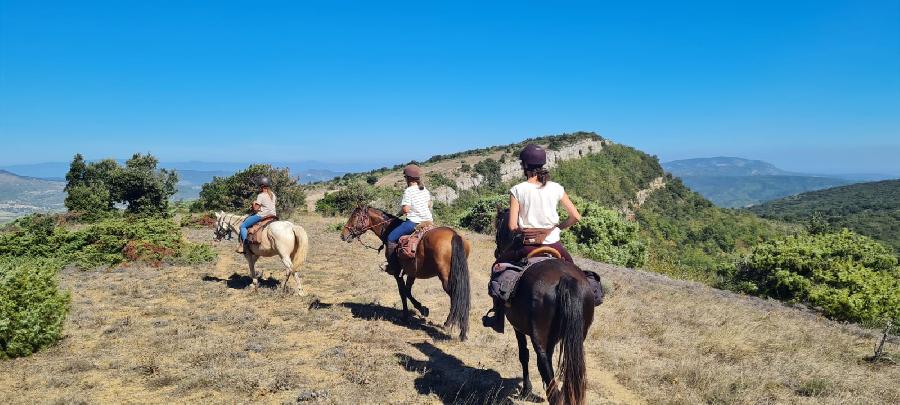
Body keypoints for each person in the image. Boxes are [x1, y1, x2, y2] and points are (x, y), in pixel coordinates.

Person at [482, 143, 582, 332]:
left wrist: (525, 228)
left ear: (524, 166)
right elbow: (575, 216)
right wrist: (558, 228)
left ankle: (497, 318)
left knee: (496, 268)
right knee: (574, 270)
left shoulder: (518, 190)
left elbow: (511, 226)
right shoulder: (556, 188)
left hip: (527, 246)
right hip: (554, 243)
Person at [384, 164, 433, 274]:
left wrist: (399, 213)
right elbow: (429, 205)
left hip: (414, 223)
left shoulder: (409, 191)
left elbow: (406, 210)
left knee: (391, 238)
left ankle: (393, 266)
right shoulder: (425, 190)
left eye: (405, 177)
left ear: (408, 178)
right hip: (429, 222)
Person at [237, 176, 277, 254]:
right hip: (273, 215)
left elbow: (255, 209)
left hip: (262, 215)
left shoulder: (261, 195)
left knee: (243, 226)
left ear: (261, 186)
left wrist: (253, 203)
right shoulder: (272, 194)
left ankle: (245, 245)